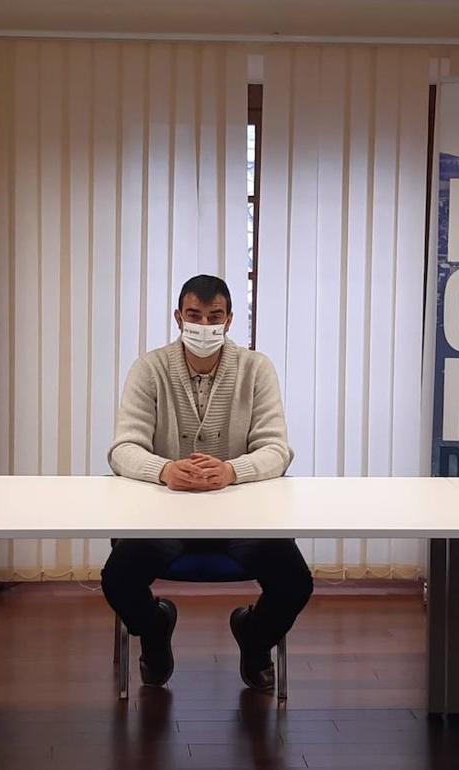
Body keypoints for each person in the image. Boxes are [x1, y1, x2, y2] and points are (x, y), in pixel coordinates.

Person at [102, 274, 312, 691]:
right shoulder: (150, 368)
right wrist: (165, 470)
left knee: (295, 582)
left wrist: (232, 471)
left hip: (242, 518)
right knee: (118, 578)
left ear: (229, 320)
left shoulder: (256, 369)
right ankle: (155, 631)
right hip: (164, 517)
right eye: (194, 316)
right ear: (178, 317)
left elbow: (276, 449)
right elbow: (123, 449)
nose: (204, 325)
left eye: (214, 316)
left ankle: (254, 638)